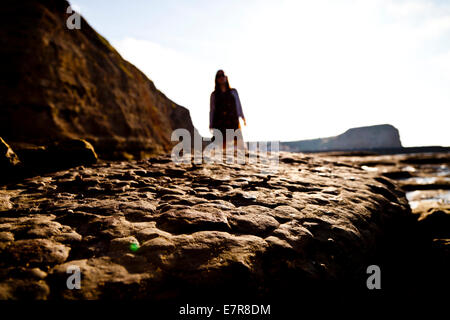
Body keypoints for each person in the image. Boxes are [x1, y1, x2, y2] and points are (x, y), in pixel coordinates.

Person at [209, 69, 246, 150]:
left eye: (222, 75)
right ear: (216, 79)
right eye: (219, 76)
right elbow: (212, 110)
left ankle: (238, 154)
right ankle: (224, 155)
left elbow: (238, 104)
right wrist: (211, 124)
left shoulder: (233, 92)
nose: (221, 78)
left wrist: (242, 116)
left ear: (226, 77)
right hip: (219, 121)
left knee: (238, 141)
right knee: (222, 143)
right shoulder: (214, 95)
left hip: (232, 119)